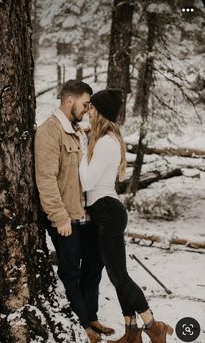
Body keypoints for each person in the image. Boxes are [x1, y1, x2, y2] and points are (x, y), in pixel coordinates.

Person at [79, 89, 173, 343]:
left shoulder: (107, 142)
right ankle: (131, 332)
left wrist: (80, 147)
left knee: (119, 275)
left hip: (108, 213)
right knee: (116, 274)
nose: (89, 112)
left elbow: (87, 181)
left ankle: (154, 326)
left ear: (101, 113)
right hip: (105, 213)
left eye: (92, 108)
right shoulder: (103, 140)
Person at [34, 80, 114, 343]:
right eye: (85, 103)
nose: (88, 109)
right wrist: (59, 217)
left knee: (95, 263)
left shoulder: (78, 131)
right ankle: (81, 325)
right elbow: (45, 179)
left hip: (86, 214)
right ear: (70, 101)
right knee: (71, 270)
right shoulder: (49, 131)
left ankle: (91, 316)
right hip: (66, 216)